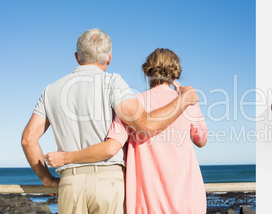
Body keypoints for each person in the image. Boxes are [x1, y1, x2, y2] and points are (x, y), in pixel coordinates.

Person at [21, 29, 199, 214]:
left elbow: (28, 140)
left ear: (77, 56)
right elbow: (145, 125)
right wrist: (183, 100)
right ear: (109, 58)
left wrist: (47, 179)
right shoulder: (113, 83)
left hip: (70, 184)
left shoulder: (51, 90)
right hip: (108, 182)